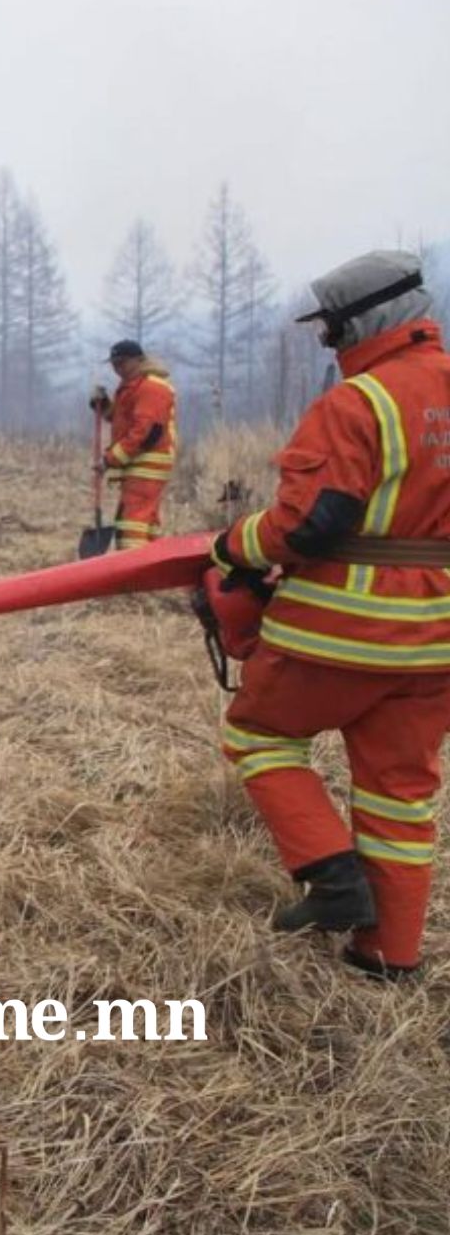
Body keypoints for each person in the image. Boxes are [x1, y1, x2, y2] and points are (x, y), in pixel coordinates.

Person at [212, 250, 450, 980]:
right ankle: (388, 956)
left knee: (258, 734)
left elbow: (306, 525)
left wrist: (232, 543)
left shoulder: (358, 403)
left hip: (341, 633)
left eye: (331, 329)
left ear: (363, 320)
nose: (329, 344)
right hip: (437, 644)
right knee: (399, 795)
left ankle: (330, 873)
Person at [88, 339, 177, 548]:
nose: (117, 368)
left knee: (132, 525)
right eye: (114, 364)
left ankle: (132, 571)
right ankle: (150, 566)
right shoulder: (133, 386)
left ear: (139, 360)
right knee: (145, 523)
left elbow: (144, 432)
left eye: (122, 363)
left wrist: (109, 460)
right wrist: (103, 406)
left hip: (148, 464)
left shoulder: (152, 387)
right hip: (140, 462)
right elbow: (123, 420)